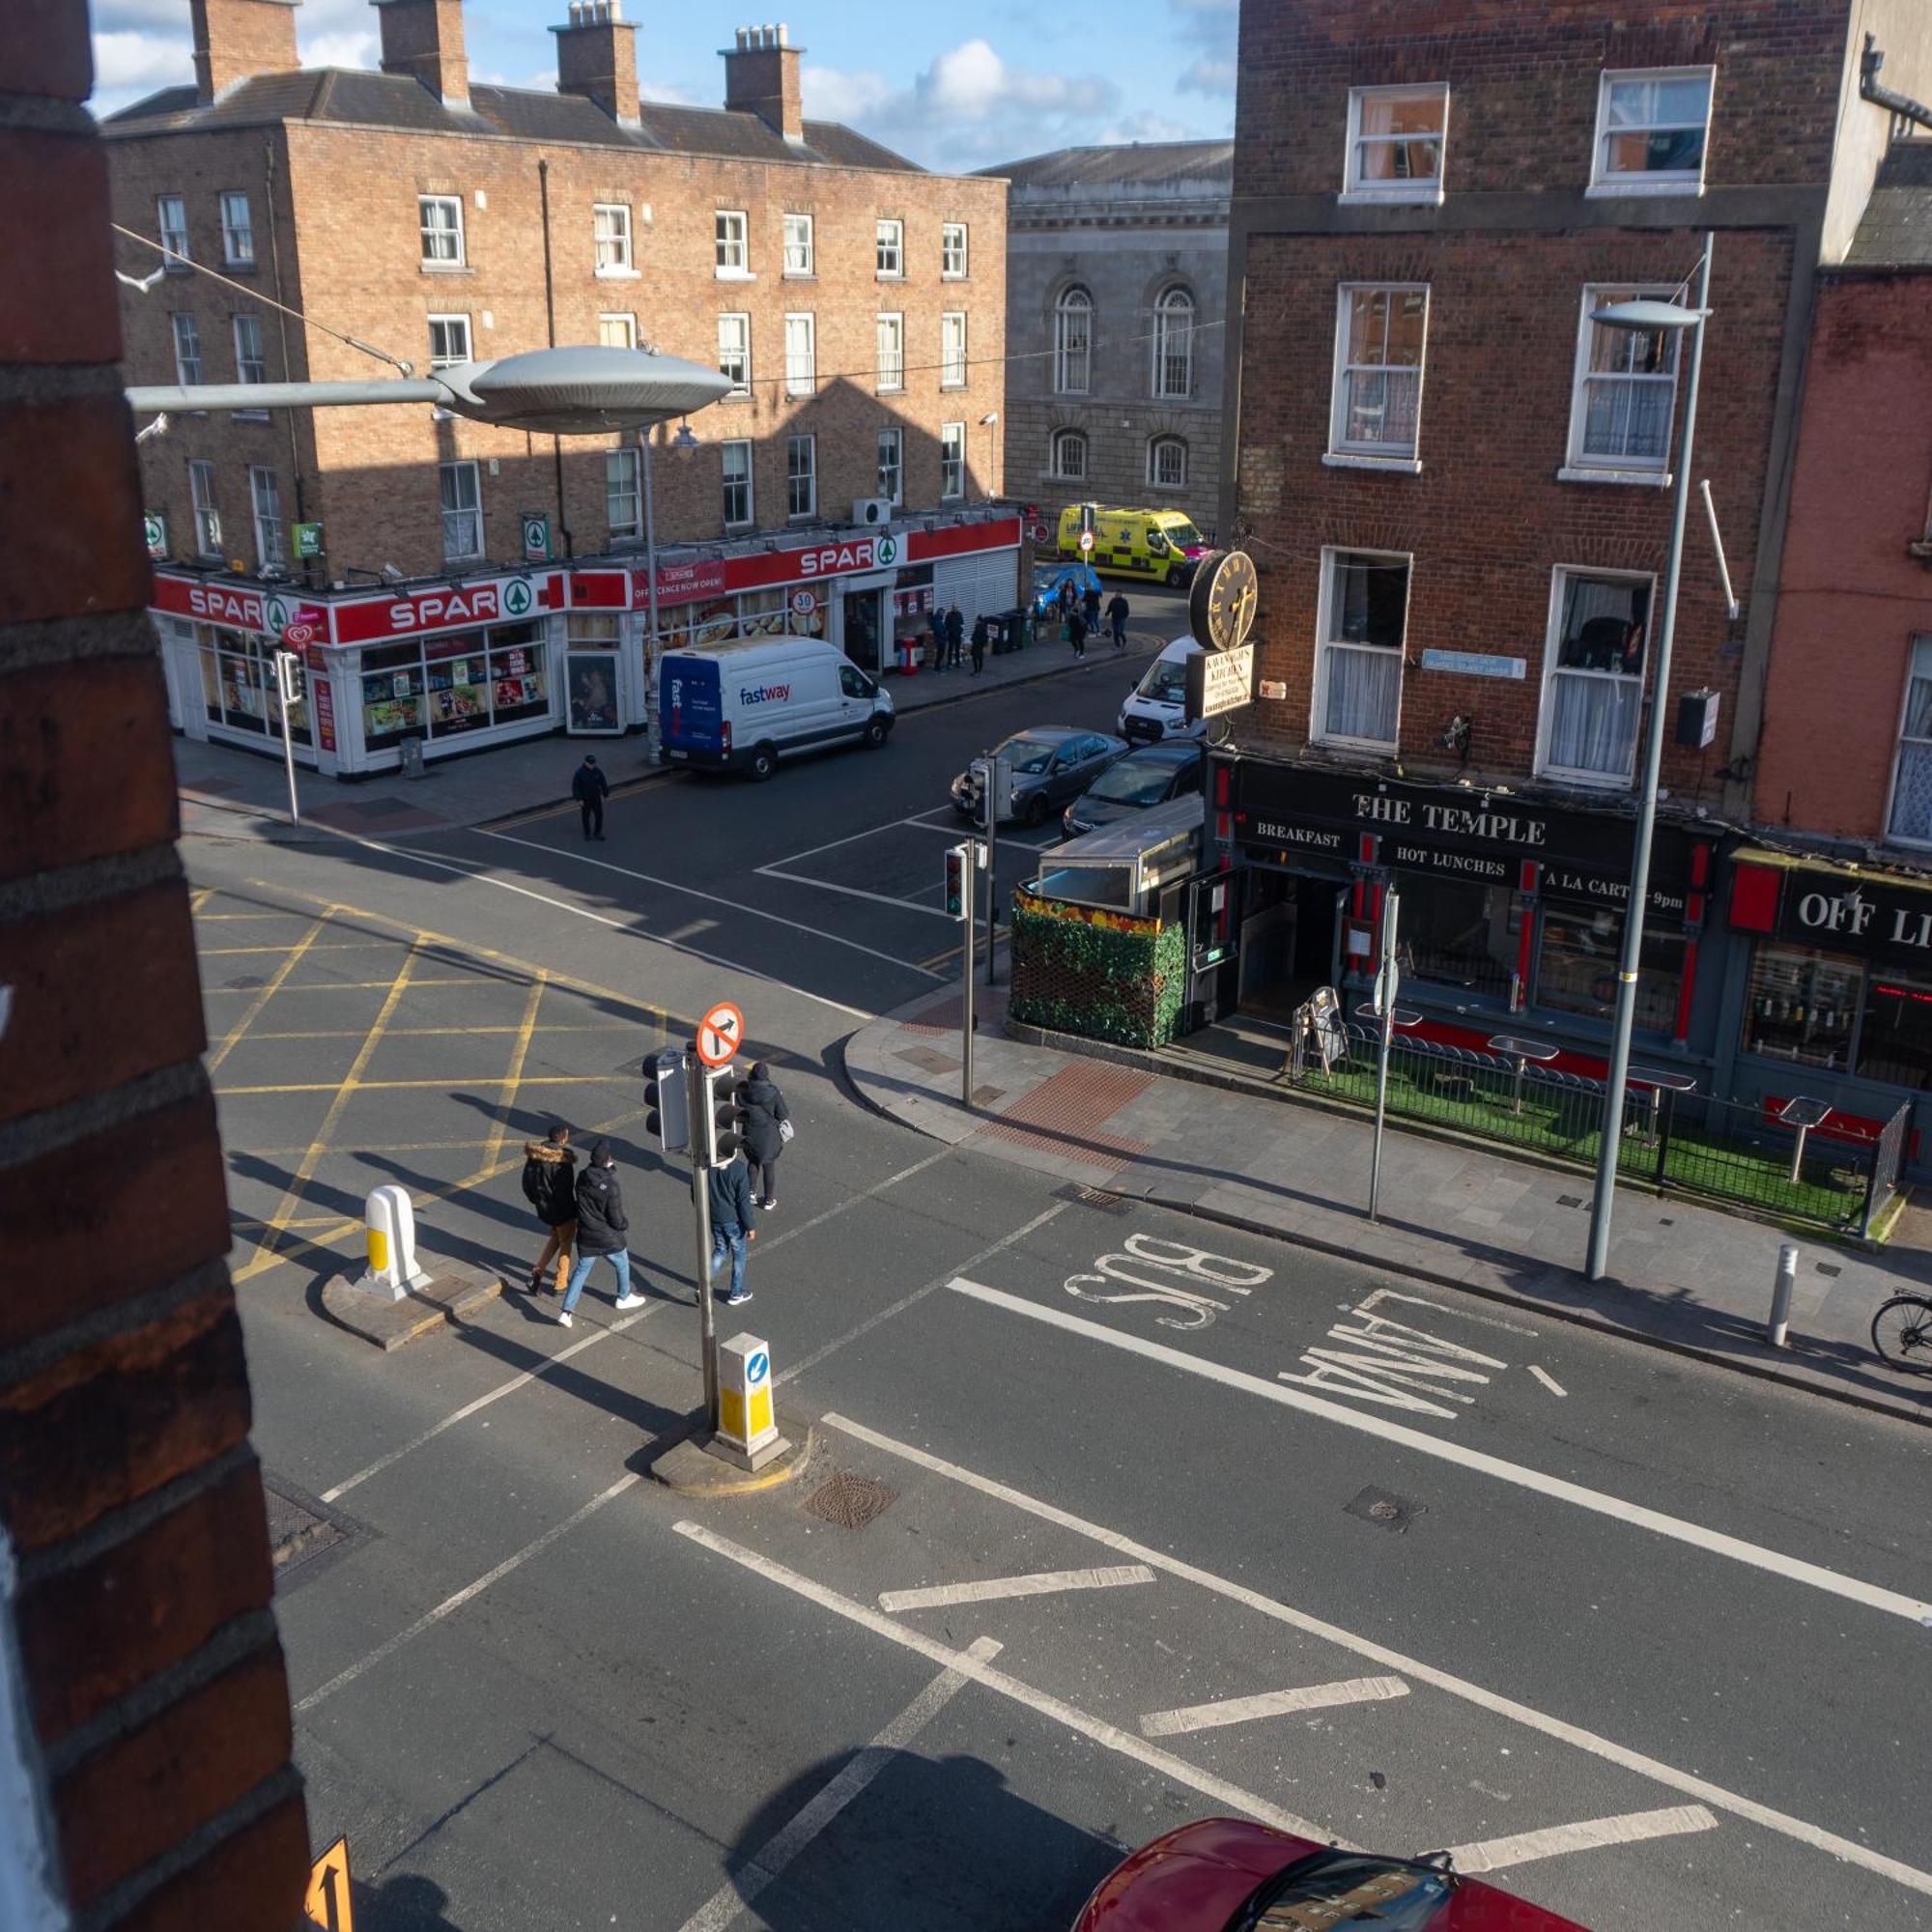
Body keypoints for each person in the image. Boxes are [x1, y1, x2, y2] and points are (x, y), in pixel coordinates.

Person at [558, 1141, 641, 1327]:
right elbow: (615, 1215)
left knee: (581, 1271)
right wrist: (623, 1225)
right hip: (606, 1234)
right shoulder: (610, 1185)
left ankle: (566, 1312)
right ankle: (624, 1296)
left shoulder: (582, 1177)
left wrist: (608, 1169)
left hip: (586, 1233)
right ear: (607, 1160)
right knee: (622, 1261)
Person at [521, 1122, 578, 1296]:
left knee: (556, 1237)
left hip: (543, 1208)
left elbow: (527, 1183)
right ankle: (560, 1282)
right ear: (562, 1137)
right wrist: (572, 1211)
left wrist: (537, 1200)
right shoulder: (562, 1162)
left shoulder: (535, 1156)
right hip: (561, 1210)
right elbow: (565, 1191)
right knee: (566, 1242)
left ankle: (537, 1273)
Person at [705, 1151, 757, 1306]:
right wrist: (750, 1226)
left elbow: (696, 1192)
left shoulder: (707, 1168)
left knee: (720, 1250)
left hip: (714, 1218)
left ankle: (705, 1285)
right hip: (734, 1221)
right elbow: (743, 1201)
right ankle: (735, 1292)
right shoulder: (738, 1169)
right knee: (739, 1256)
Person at [741, 1062, 791, 1210]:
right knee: (768, 1166)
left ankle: (750, 1193)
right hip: (769, 1135)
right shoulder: (773, 1092)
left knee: (753, 1161)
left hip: (750, 1131)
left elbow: (739, 1105)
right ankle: (768, 1200)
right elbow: (783, 1114)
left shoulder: (744, 1091)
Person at [572, 754, 610, 841]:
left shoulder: (597, 771)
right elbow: (575, 787)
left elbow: (603, 782)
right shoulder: (579, 773)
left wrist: (605, 794)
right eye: (591, 764)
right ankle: (587, 833)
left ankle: (598, 832)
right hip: (585, 799)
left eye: (594, 763)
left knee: (599, 816)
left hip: (596, 798)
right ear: (585, 763)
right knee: (586, 817)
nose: (593, 765)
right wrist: (579, 799)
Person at [945, 601, 965, 669]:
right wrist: (951, 631)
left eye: (956, 607)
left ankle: (958, 663)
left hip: (958, 636)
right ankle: (949, 663)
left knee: (957, 649)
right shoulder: (949, 615)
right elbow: (946, 625)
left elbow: (962, 624)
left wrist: (961, 632)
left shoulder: (960, 614)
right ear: (952, 608)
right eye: (954, 607)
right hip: (951, 636)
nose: (955, 608)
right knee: (950, 650)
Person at [927, 603, 947, 673]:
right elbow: (939, 631)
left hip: (940, 639)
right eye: (943, 613)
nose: (944, 615)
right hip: (940, 640)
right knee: (940, 653)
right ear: (940, 613)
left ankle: (937, 666)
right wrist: (945, 636)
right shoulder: (937, 621)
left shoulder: (937, 620)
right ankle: (937, 667)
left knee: (940, 653)